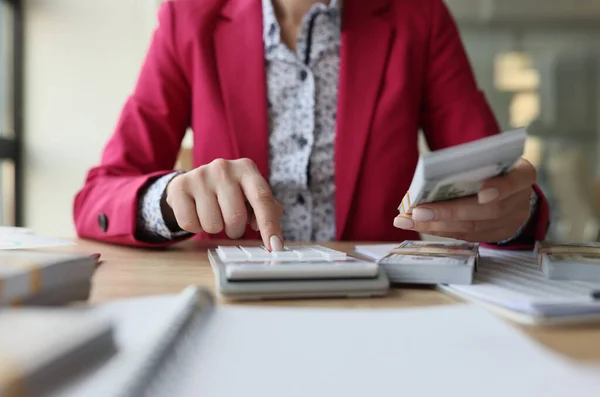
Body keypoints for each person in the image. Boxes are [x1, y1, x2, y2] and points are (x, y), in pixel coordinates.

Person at [73, 0, 549, 251]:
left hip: (381, 310)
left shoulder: (418, 15)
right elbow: (99, 195)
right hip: (228, 299)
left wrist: (514, 215)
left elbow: (492, 176)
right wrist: (170, 202)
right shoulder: (187, 16)